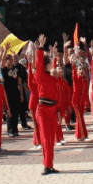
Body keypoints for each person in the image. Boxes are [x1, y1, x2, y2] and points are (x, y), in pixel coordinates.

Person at [32, 36, 60, 174]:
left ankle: (49, 164)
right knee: (45, 139)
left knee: (51, 140)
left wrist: (58, 111)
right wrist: (40, 48)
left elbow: (56, 96)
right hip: (42, 110)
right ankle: (46, 165)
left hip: (52, 110)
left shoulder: (53, 78)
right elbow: (38, 63)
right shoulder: (40, 76)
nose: (53, 65)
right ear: (45, 65)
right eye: (50, 63)